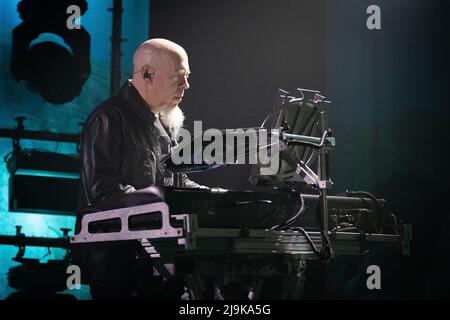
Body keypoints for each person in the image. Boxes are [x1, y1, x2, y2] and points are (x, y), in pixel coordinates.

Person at [74, 38, 204, 299]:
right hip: (118, 268)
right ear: (147, 74)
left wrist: (209, 195)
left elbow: (172, 179)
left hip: (152, 261)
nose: (186, 85)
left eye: (187, 77)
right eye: (178, 77)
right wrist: (160, 199)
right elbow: (104, 193)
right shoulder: (108, 118)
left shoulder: (161, 124)